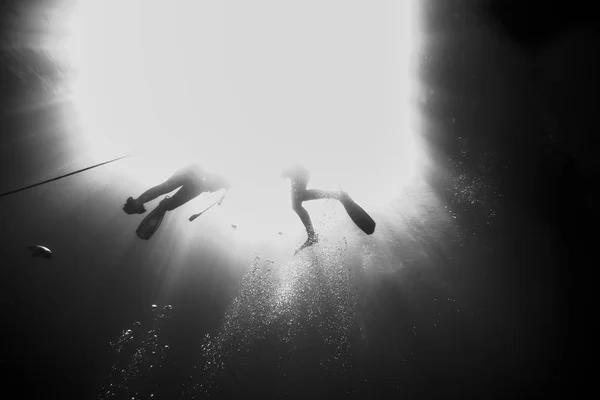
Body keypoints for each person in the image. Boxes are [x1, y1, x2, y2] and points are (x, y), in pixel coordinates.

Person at [281, 164, 375, 254]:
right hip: (296, 169)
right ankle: (312, 234)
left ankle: (338, 195)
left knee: (298, 197)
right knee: (296, 204)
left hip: (297, 169)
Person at [123, 164, 230, 239]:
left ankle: (138, 203)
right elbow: (216, 184)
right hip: (197, 180)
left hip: (193, 174)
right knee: (168, 200)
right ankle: (140, 204)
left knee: (165, 190)